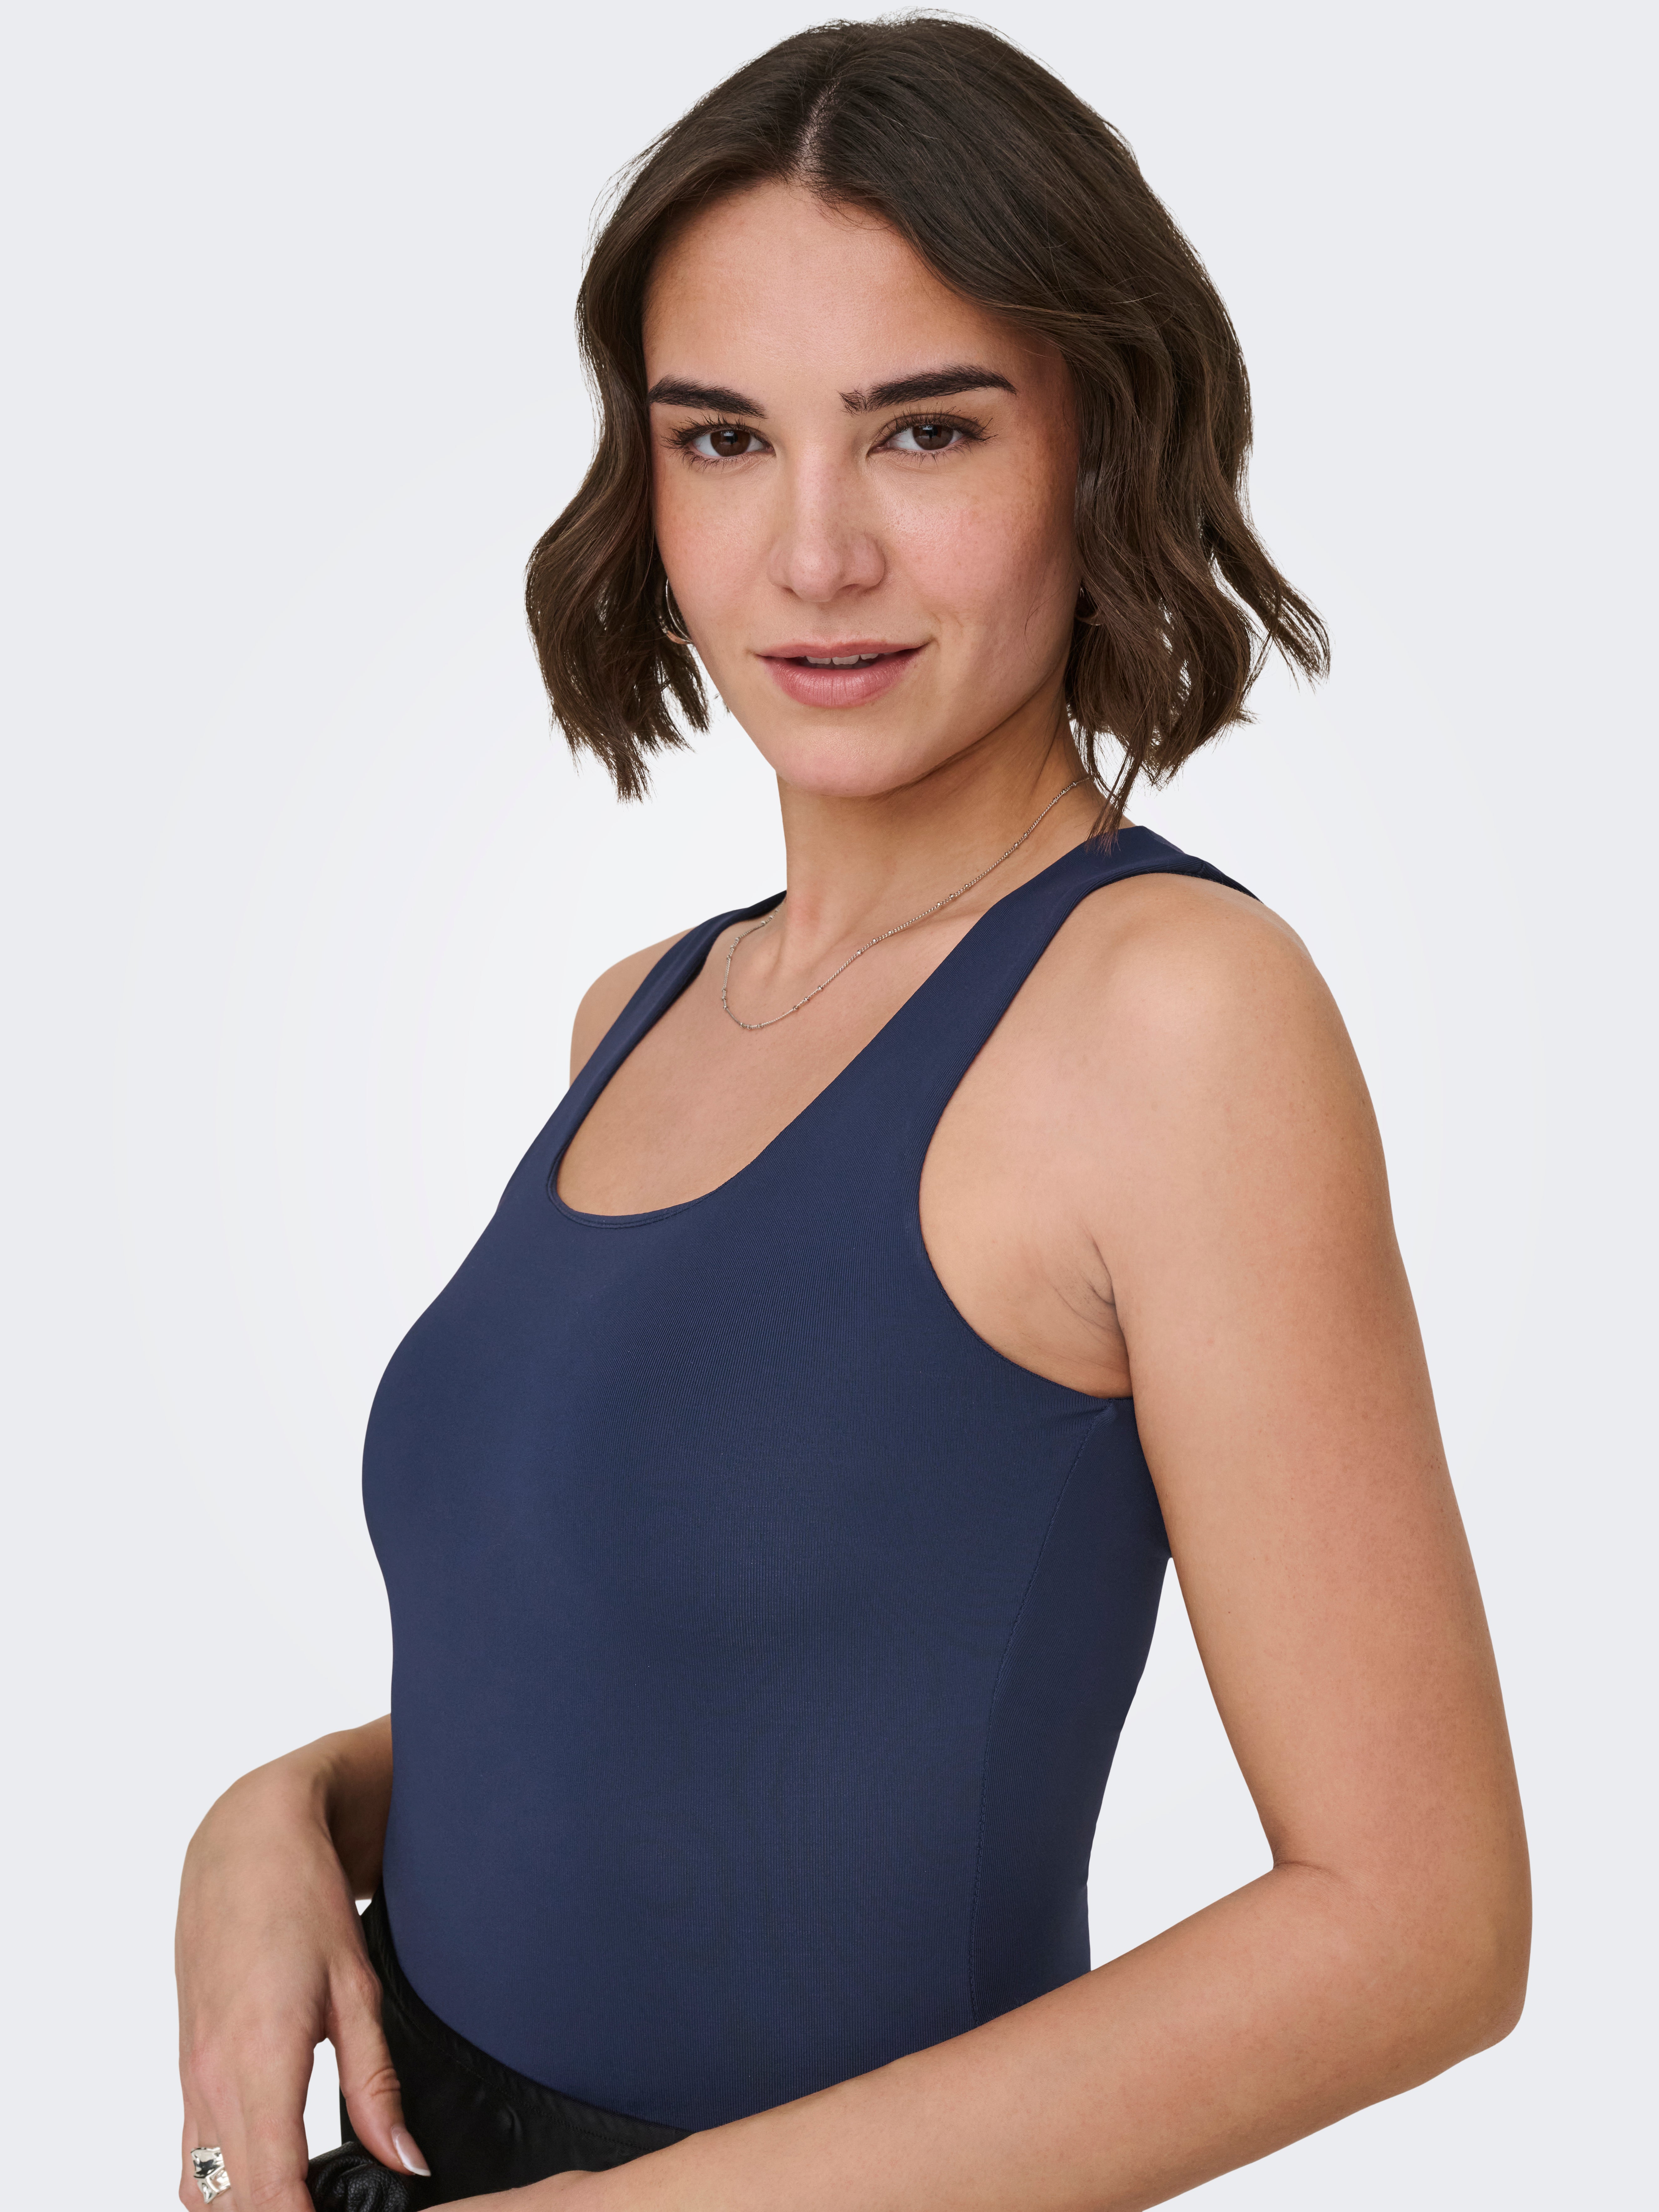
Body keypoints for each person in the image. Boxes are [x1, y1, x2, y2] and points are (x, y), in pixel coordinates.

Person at [175, 19, 1530, 2212]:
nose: (812, 555)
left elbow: (1417, 1930)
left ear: (1101, 447)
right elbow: (674, 1699)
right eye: (723, 438)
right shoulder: (639, 1011)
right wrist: (288, 1814)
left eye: (923, 431)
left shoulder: (1169, 1019)